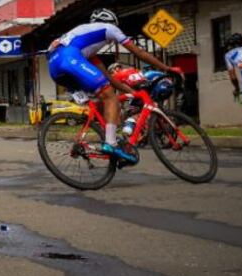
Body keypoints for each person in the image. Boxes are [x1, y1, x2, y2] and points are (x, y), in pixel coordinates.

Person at [47, 9, 181, 165]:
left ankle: (102, 135)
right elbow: (138, 52)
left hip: (54, 67)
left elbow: (108, 78)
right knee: (110, 97)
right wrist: (167, 68)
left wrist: (134, 93)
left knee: (104, 97)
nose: (111, 42)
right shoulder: (109, 28)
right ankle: (110, 143)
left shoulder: (86, 45)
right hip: (69, 58)